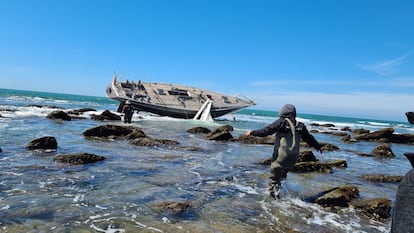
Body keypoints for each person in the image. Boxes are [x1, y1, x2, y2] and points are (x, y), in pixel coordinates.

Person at [246, 104, 322, 199]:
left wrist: (252, 132)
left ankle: (275, 202)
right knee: (283, 176)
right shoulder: (300, 125)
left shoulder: (282, 122)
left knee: (274, 180)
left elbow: (267, 130)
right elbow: (309, 138)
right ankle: (284, 195)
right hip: (294, 157)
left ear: (283, 113)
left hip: (281, 156)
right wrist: (318, 147)